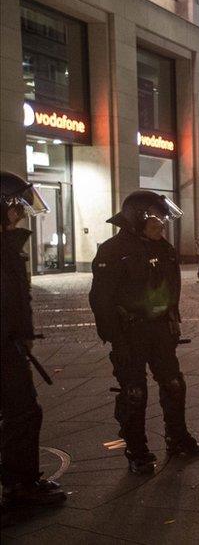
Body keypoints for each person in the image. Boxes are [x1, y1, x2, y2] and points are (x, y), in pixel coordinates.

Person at [89, 190, 199, 475]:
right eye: (157, 219)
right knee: (134, 393)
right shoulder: (112, 251)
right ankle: (137, 449)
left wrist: (172, 318)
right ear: (137, 219)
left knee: (174, 384)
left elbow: (171, 289)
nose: (163, 224)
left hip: (160, 332)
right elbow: (101, 299)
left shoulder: (164, 249)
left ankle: (178, 438)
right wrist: (115, 335)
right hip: (129, 335)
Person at [1, 171, 66, 509]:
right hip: (5, 348)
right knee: (22, 413)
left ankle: (19, 481)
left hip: (12, 344)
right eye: (17, 206)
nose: (23, 212)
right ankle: (18, 485)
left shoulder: (10, 245)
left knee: (23, 413)